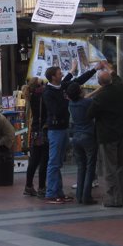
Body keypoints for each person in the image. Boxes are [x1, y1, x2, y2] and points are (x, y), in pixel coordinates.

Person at [42, 59, 100, 204]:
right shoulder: (48, 92)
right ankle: (51, 193)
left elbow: (78, 81)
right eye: (59, 73)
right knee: (54, 162)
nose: (61, 74)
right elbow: (55, 110)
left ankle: (58, 192)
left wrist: (93, 70)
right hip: (55, 130)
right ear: (53, 77)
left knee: (58, 162)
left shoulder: (60, 86)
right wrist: (68, 99)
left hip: (63, 128)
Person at [87, 63, 123, 208]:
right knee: (121, 167)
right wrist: (106, 65)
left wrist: (90, 95)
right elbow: (115, 75)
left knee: (109, 168)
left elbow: (90, 114)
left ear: (100, 84)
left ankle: (112, 199)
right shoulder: (119, 88)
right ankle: (122, 197)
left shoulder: (100, 97)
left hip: (108, 136)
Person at [67, 82, 98, 205]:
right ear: (80, 92)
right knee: (90, 166)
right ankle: (86, 196)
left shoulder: (71, 103)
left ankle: (79, 195)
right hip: (88, 136)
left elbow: (85, 98)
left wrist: (96, 91)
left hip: (76, 136)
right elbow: (90, 101)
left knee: (81, 167)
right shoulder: (87, 103)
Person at [23, 77, 47, 197]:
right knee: (44, 160)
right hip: (43, 130)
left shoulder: (31, 95)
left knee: (33, 160)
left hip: (35, 130)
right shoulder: (42, 95)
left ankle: (28, 186)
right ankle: (42, 187)